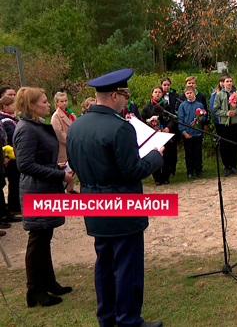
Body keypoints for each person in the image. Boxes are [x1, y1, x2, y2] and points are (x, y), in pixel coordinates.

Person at [66, 69, 164, 327]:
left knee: (105, 264)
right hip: (122, 205)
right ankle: (128, 319)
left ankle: (107, 317)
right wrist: (156, 154)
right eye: (124, 94)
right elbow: (134, 171)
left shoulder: (77, 125)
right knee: (127, 266)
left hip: (93, 203)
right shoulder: (120, 128)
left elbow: (73, 164)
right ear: (113, 96)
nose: (126, 99)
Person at [14, 87, 74, 307]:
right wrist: (59, 174)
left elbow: (37, 159)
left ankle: (49, 281)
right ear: (31, 106)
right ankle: (35, 290)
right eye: (44, 101)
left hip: (44, 187)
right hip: (36, 190)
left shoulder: (35, 125)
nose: (48, 104)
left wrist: (55, 166)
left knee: (44, 238)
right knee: (37, 241)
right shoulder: (26, 129)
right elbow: (25, 165)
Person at [141, 86, 177, 185]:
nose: (157, 94)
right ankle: (157, 178)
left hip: (164, 133)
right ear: (152, 94)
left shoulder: (167, 106)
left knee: (166, 156)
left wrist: (168, 127)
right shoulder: (147, 107)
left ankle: (166, 177)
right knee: (155, 154)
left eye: (159, 92)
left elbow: (172, 119)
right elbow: (143, 120)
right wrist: (151, 126)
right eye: (155, 92)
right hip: (153, 134)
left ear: (162, 94)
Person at [213, 74, 237, 176]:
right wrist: (225, 113)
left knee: (233, 144)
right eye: (227, 81)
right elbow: (216, 109)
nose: (229, 83)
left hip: (234, 122)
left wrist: (235, 112)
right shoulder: (219, 95)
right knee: (225, 145)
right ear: (223, 83)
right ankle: (226, 166)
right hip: (223, 123)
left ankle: (234, 166)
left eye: (230, 81)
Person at [50, 92, 76, 193]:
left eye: (65, 101)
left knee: (73, 170)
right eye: (62, 101)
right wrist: (72, 142)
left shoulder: (71, 114)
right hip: (64, 147)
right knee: (66, 170)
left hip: (72, 145)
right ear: (57, 103)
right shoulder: (56, 116)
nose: (64, 103)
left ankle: (72, 189)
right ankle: (68, 191)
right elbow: (59, 134)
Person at [178, 86, 206, 179]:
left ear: (194, 93)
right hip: (187, 133)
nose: (189, 95)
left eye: (191, 93)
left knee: (197, 152)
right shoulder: (182, 106)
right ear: (185, 95)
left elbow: (204, 117)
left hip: (197, 132)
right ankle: (190, 171)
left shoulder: (199, 105)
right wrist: (184, 131)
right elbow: (180, 119)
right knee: (189, 153)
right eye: (187, 93)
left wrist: (202, 118)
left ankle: (198, 170)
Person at [0, 95, 21, 217]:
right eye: (13, 104)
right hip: (11, 155)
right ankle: (14, 207)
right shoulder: (6, 120)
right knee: (14, 182)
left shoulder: (12, 118)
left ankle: (15, 206)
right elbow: (12, 136)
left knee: (16, 181)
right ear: (5, 106)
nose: (15, 107)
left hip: (13, 154)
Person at [160, 77, 180, 177]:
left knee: (173, 149)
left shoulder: (175, 95)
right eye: (165, 85)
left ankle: (173, 168)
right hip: (161, 125)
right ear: (161, 86)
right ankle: (165, 169)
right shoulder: (159, 96)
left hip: (173, 124)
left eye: (168, 85)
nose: (167, 87)